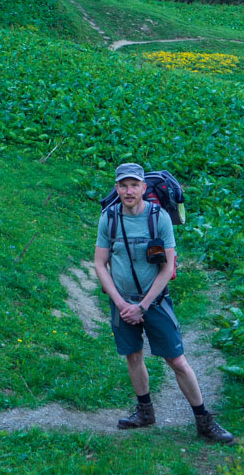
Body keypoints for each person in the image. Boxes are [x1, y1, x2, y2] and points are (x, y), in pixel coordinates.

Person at [94, 162, 233, 443]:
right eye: (123, 185)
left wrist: (142, 306)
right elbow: (99, 264)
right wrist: (122, 304)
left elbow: (167, 268)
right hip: (123, 303)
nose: (128, 190)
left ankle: (204, 421)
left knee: (177, 360)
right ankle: (145, 412)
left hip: (154, 303)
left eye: (134, 185)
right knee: (133, 355)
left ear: (144, 188)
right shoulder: (108, 218)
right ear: (117, 188)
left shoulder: (159, 218)